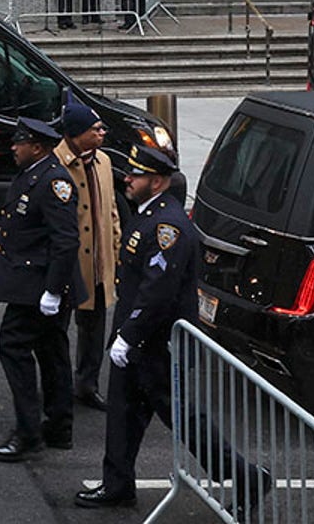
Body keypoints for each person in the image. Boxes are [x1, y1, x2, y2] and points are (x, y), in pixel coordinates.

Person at [76, 146, 270, 516]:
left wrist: (129, 336)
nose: (127, 180)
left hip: (158, 344)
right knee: (123, 412)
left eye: (136, 175)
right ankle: (117, 483)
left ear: (158, 181)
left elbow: (158, 291)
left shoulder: (168, 226)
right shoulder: (149, 215)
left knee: (182, 418)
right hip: (139, 339)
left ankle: (247, 477)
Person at [0, 117, 81, 462]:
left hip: (39, 286)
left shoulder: (53, 182)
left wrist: (52, 291)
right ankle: (58, 426)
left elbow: (65, 242)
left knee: (13, 346)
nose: (12, 147)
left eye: (18, 142)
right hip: (35, 283)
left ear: (36, 146)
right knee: (51, 352)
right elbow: (13, 218)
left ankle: (28, 432)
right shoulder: (31, 174)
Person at [55, 96, 120, 411]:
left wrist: (116, 253)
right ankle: (56, 386)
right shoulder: (56, 164)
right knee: (56, 330)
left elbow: (112, 213)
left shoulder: (104, 162)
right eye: (95, 129)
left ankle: (87, 384)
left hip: (98, 264)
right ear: (76, 133)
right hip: (68, 266)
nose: (102, 133)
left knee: (94, 330)